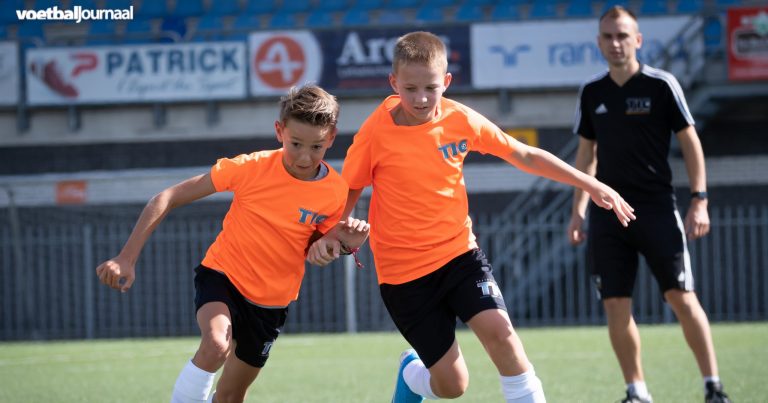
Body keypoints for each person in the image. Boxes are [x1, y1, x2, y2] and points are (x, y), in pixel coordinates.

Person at [308, 31, 635, 403]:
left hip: (459, 254)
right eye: (410, 88)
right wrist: (331, 234)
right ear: (393, 82)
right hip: (403, 274)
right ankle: (411, 373)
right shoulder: (374, 133)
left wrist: (590, 184)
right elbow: (348, 188)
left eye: (430, 87)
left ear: (446, 82)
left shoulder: (459, 119)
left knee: (502, 334)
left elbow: (523, 154)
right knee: (452, 386)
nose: (420, 98)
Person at [95, 84, 369, 403]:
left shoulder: (335, 191)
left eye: (317, 147)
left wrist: (342, 244)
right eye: (295, 144)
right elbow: (166, 198)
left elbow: (318, 246)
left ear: (331, 138)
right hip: (223, 278)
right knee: (216, 344)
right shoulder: (249, 167)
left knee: (230, 396)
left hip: (271, 303)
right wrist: (127, 257)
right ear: (279, 131)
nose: (305, 157)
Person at [568, 6, 731, 403]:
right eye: (608, 36)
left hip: (656, 208)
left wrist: (700, 200)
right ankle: (636, 392)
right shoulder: (593, 92)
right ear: (599, 43)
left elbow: (691, 143)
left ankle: (713, 386)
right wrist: (579, 209)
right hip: (609, 213)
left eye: (623, 35)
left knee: (680, 296)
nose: (616, 43)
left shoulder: (662, 85)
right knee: (615, 304)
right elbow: (586, 155)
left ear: (638, 40)